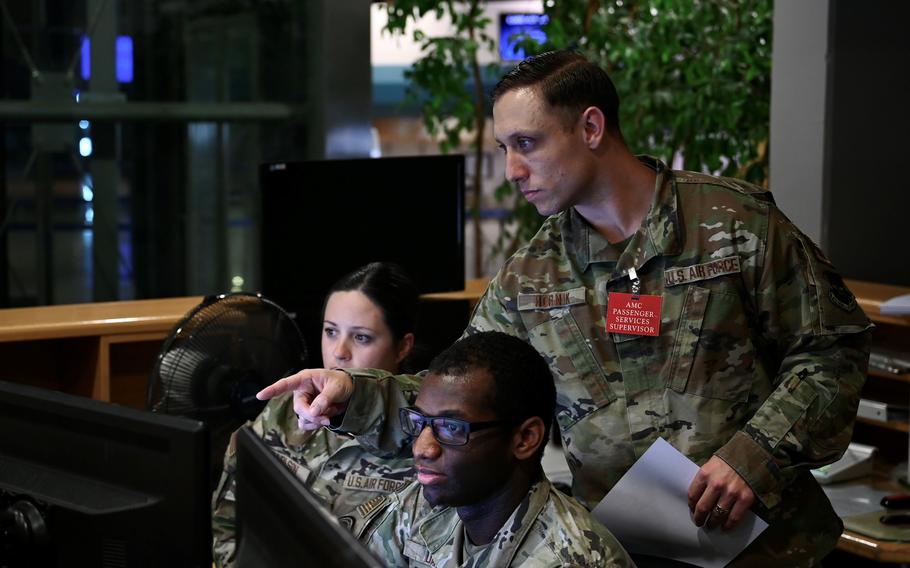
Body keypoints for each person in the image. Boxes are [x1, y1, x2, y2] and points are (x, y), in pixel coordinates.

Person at [258, 51, 872, 566]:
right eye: (503, 147)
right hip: (622, 551)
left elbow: (832, 353)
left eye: (527, 143)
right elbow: (451, 406)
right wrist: (351, 391)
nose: (512, 171)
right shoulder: (532, 276)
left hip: (767, 552)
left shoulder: (734, 225)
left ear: (591, 128)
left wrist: (756, 453)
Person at [349, 331, 633, 567]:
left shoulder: (573, 559)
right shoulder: (422, 506)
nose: (423, 448)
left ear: (525, 439)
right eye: (419, 421)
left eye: (451, 427)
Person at [211, 262, 422, 568]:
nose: (339, 352)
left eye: (361, 337)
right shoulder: (285, 409)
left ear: (403, 347)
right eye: (330, 331)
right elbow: (229, 523)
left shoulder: (421, 433)